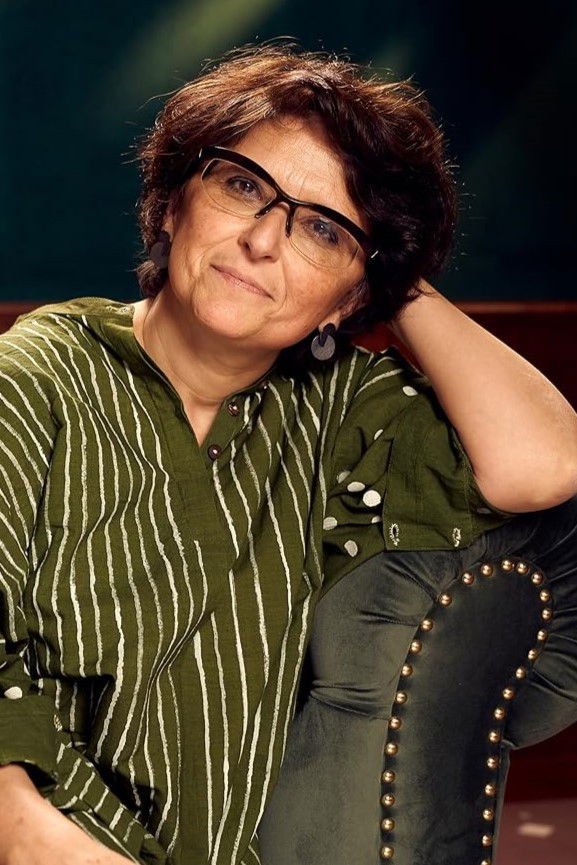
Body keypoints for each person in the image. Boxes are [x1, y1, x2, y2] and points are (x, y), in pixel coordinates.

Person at [0, 41, 576, 865]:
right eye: (243, 186)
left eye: (321, 230)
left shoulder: (337, 407)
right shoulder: (37, 374)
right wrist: (24, 830)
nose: (264, 240)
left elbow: (547, 463)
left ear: (350, 298)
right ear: (173, 204)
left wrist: (395, 281)